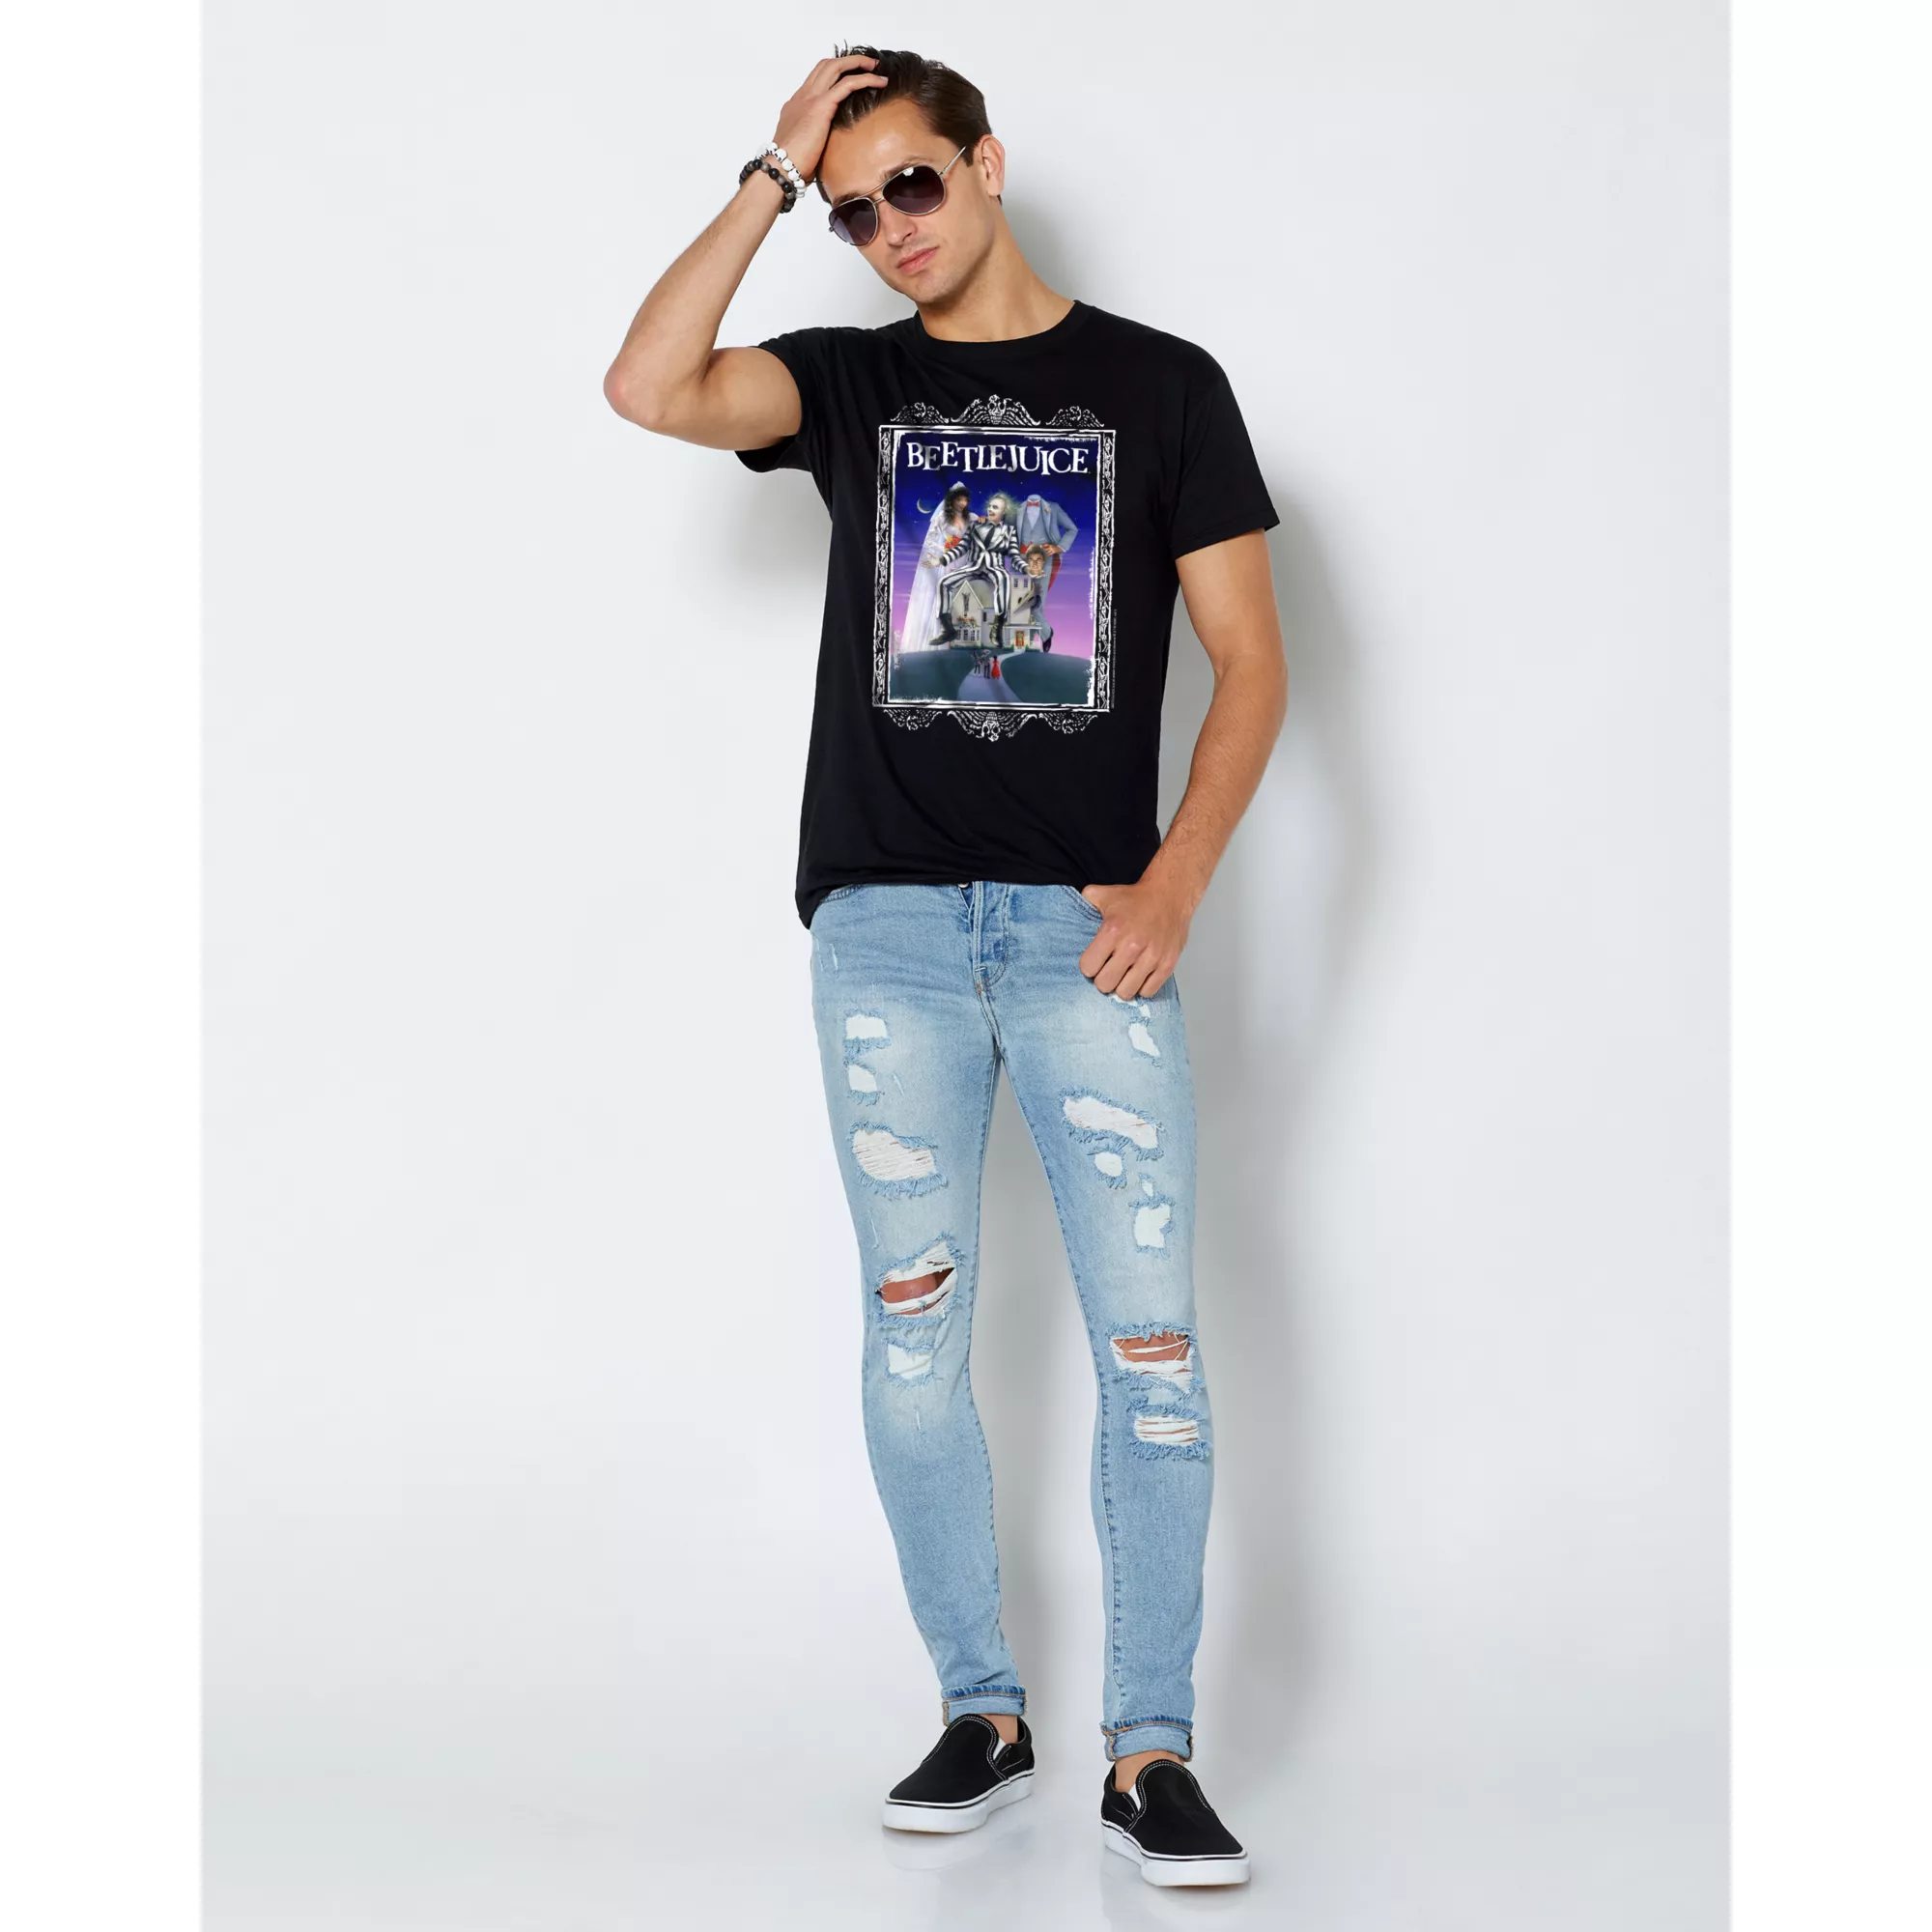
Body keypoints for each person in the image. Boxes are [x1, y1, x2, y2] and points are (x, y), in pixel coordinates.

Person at [603, 44, 1286, 1889]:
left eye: (911, 182)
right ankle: (983, 1713)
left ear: (987, 163)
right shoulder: (851, 386)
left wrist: (1175, 882)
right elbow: (648, 384)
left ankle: (1152, 1753)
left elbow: (1253, 662)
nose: (887, 229)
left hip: (1086, 932)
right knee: (914, 1343)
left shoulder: (1162, 387)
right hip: (889, 934)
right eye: (854, 211)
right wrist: (767, 174)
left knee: (1152, 1349)